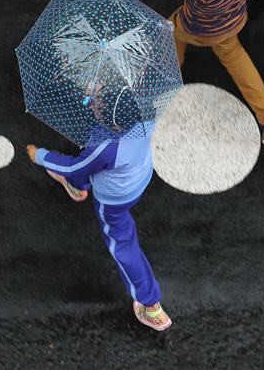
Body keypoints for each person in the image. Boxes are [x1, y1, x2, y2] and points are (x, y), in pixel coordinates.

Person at [25, 85, 171, 332]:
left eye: (100, 102)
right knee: (90, 165)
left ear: (114, 123)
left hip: (114, 198)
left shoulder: (106, 147)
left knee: (122, 243)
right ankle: (78, 186)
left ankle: (150, 304)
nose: (94, 101)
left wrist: (41, 156)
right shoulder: (142, 109)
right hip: (138, 176)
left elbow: (75, 166)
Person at [156, 0, 264, 144]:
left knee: (168, 34)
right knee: (234, 55)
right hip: (234, 20)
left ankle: (165, 81)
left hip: (200, 30)